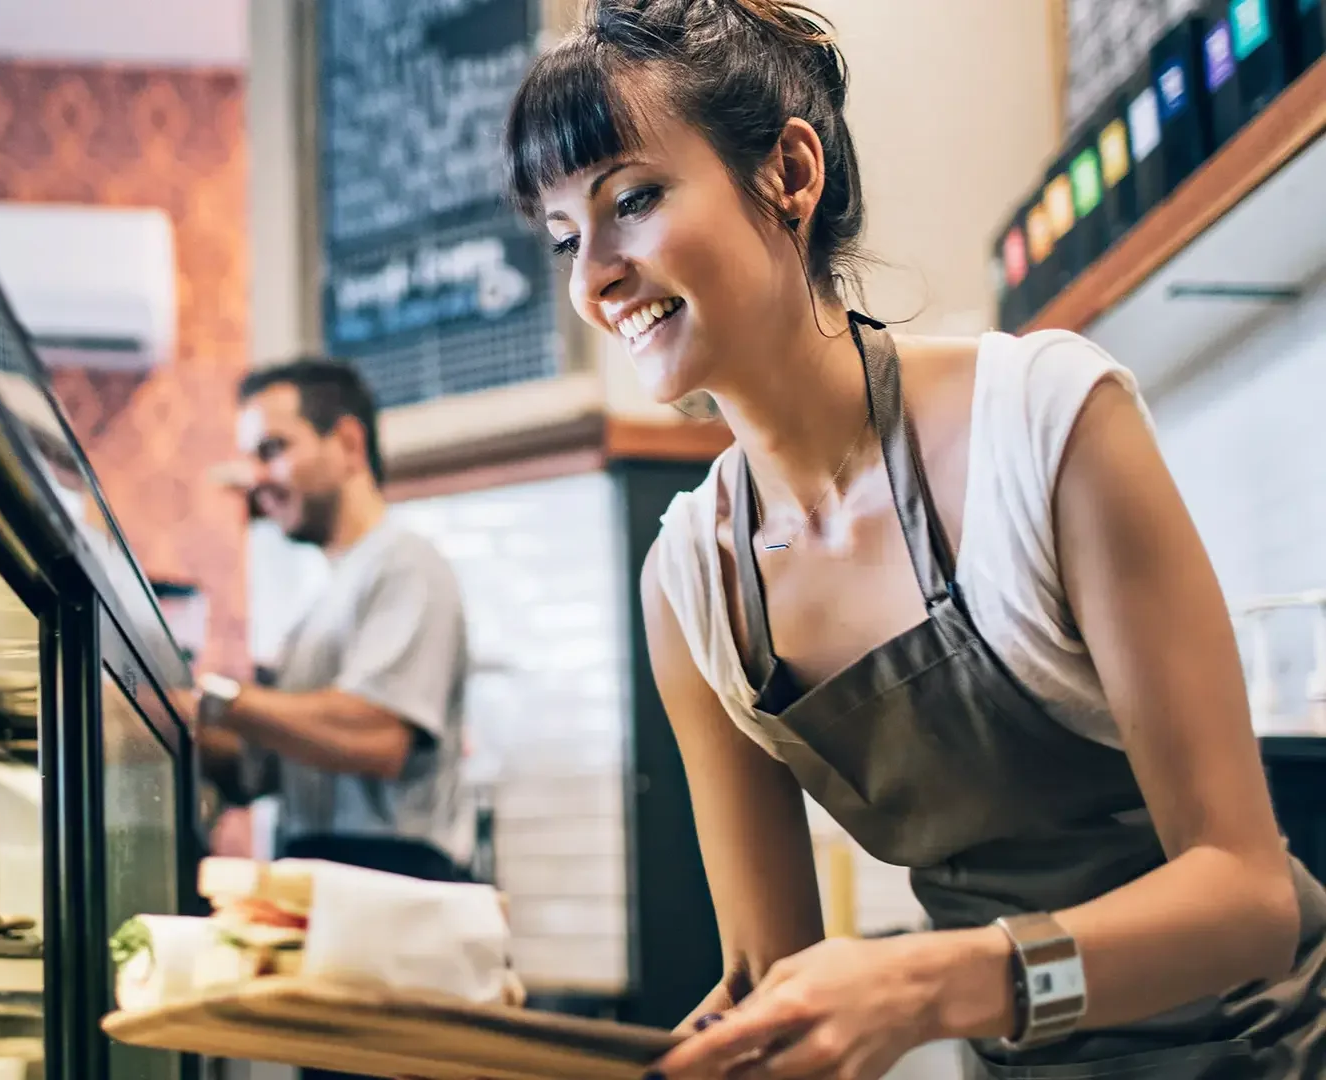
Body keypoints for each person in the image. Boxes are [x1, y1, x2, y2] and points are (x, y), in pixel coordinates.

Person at [504, 1, 1326, 1077]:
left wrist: (927, 982)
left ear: (789, 175)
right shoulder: (691, 583)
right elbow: (768, 977)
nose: (593, 277)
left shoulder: (1040, 425)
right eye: (565, 237)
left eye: (634, 201)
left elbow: (1248, 899)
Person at [185, 357, 470, 890]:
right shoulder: (319, 601)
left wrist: (218, 700)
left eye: (273, 450)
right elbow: (263, 768)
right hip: (325, 869)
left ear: (347, 443)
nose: (258, 478)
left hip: (393, 880)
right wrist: (158, 716)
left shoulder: (404, 562)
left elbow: (378, 735)